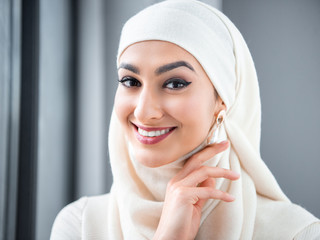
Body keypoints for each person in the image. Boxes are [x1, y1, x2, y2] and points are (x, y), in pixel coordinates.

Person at [50, 0, 320, 239]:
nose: (144, 112)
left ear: (222, 101)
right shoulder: (81, 225)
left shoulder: (297, 233)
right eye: (130, 81)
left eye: (175, 83)